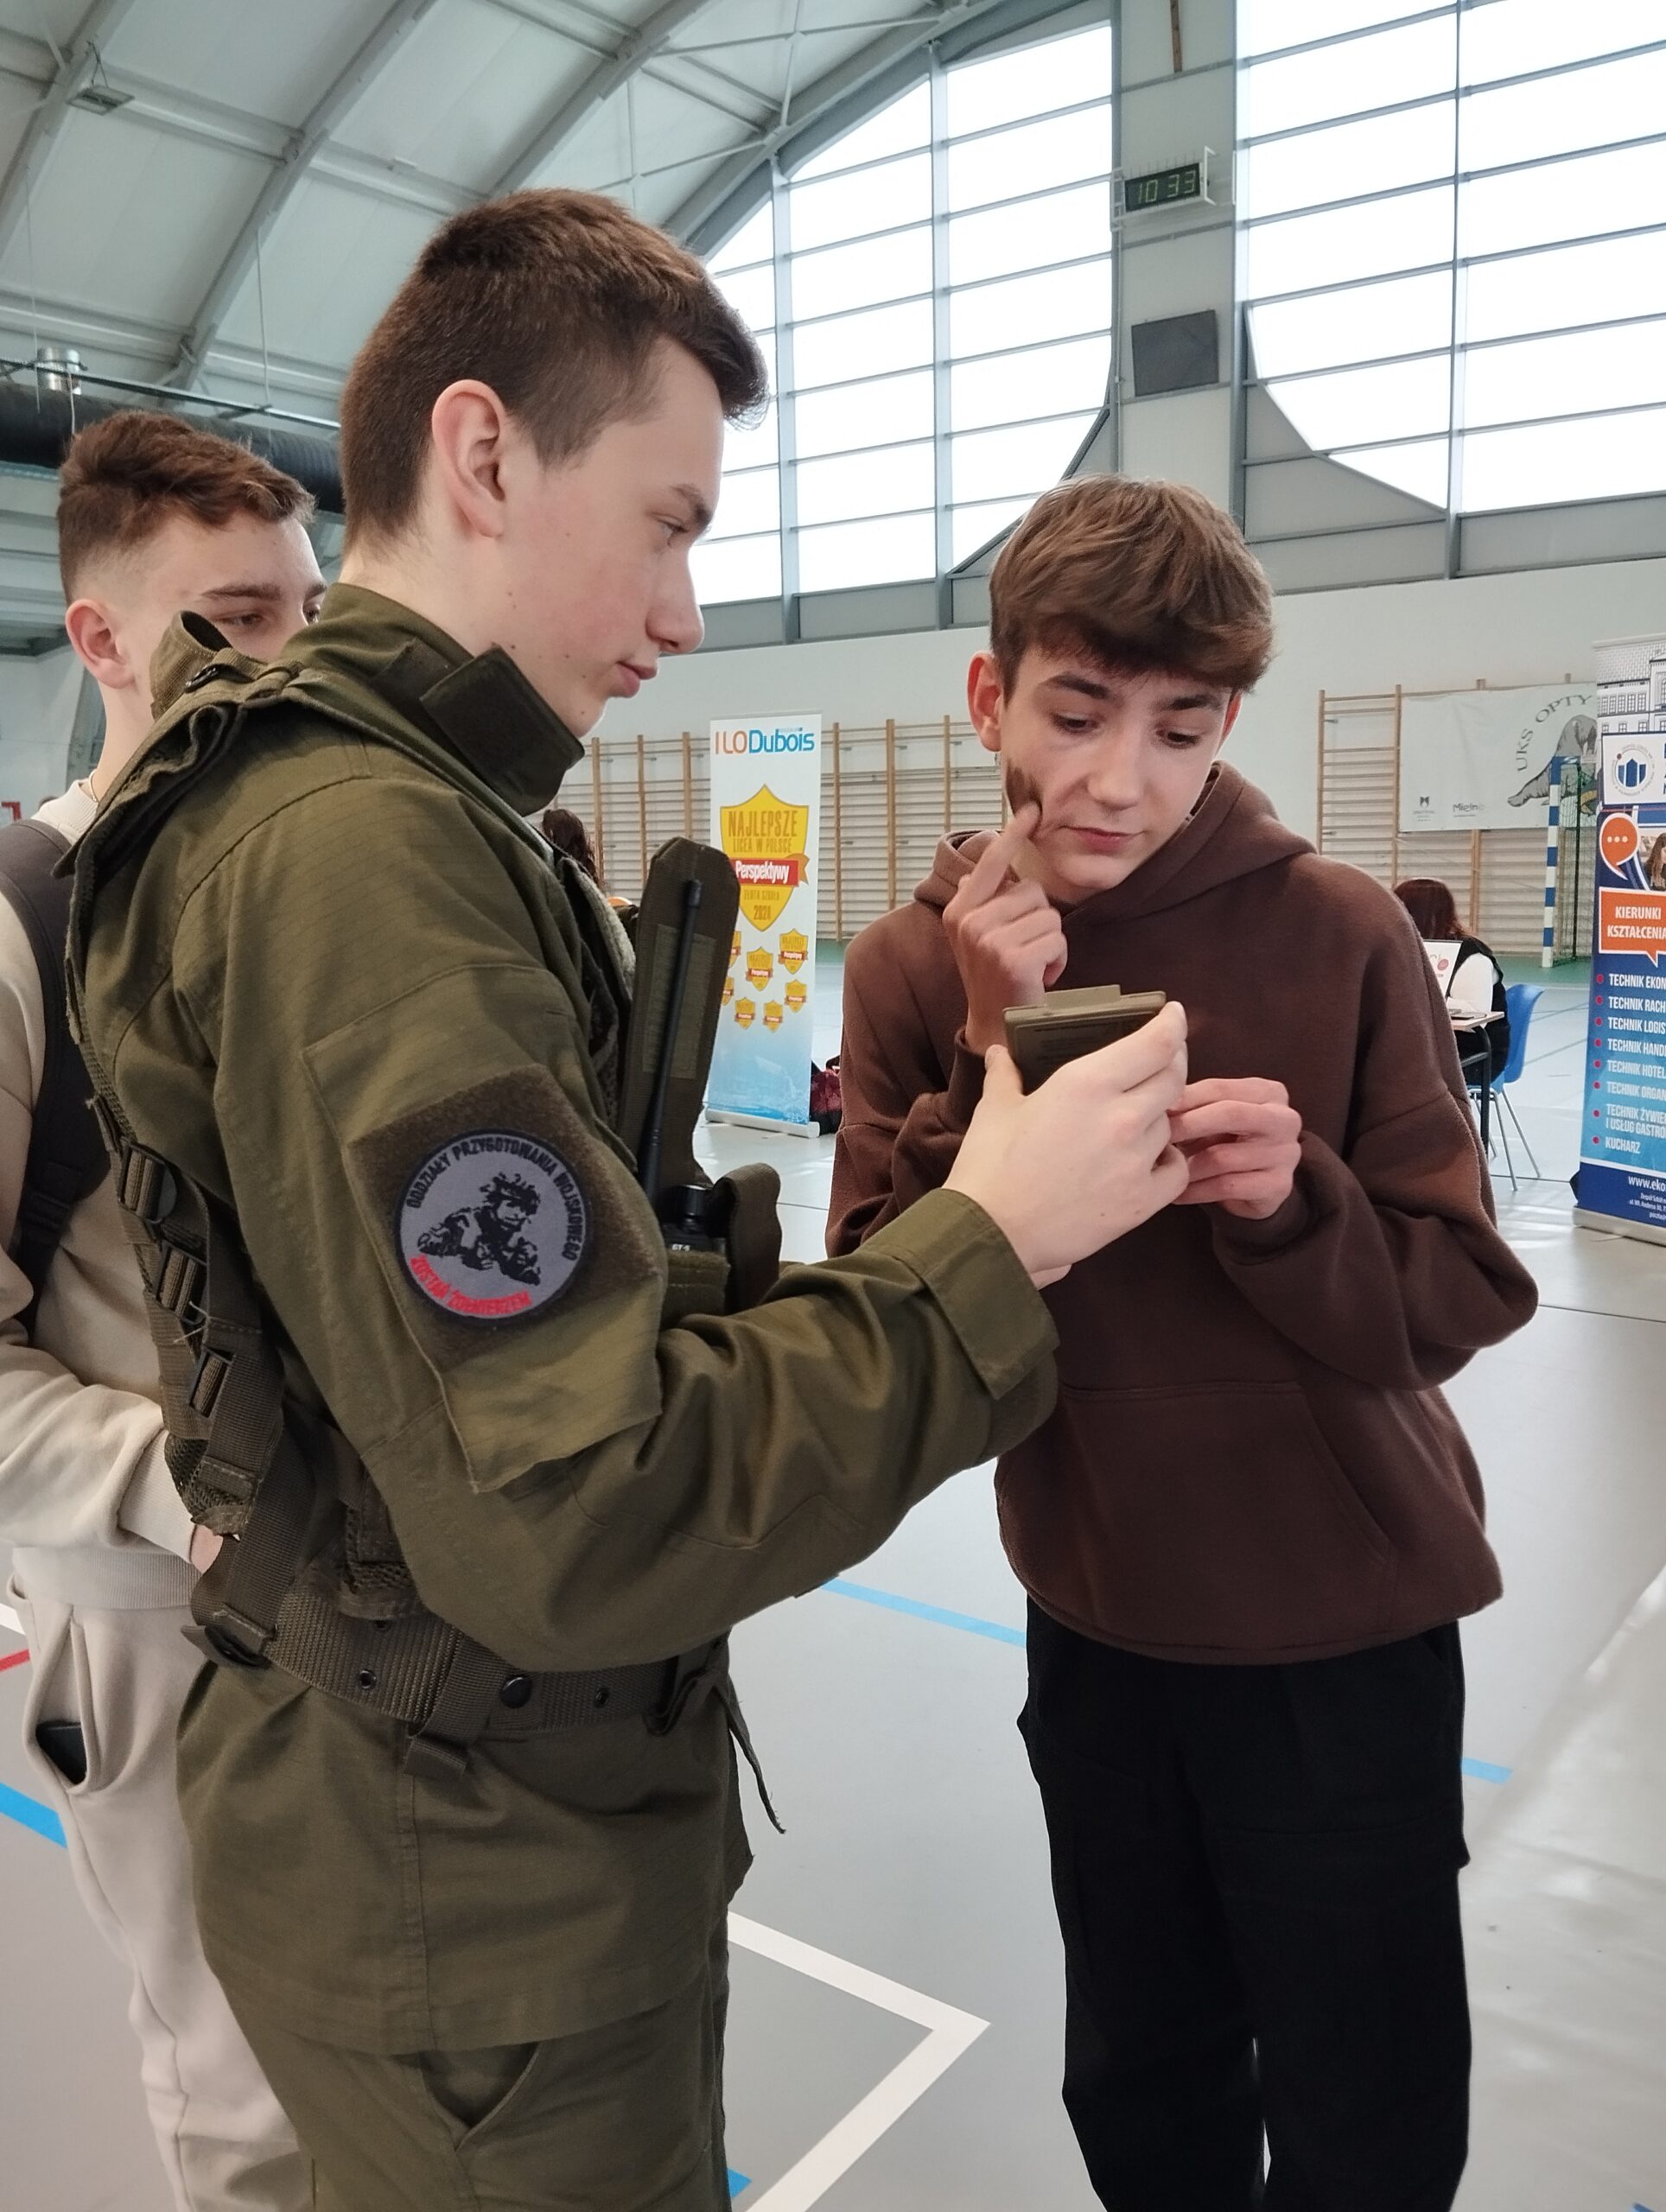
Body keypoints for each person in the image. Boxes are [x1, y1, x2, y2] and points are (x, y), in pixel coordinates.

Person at [67, 192, 1192, 2210]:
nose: (682, 611)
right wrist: (993, 1240)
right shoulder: (363, 859)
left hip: (462, 1846)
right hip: (476, 1894)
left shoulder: (409, 815)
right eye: (668, 525)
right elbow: (576, 1515)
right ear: (483, 454)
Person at [830, 475, 1540, 2212]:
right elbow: (871, 1317)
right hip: (1100, 1627)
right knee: (1142, 2088)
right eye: (1076, 712)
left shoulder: (1339, 929)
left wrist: (1295, 1205)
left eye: (1179, 725)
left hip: (1342, 1637)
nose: (1118, 777)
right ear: (990, 698)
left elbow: (1456, 1296)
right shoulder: (917, 966)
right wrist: (986, 1056)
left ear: (1227, 721)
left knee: (1369, 2114)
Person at [0, 410, 322, 2211]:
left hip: (364, 1590)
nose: (289, 664)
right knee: (242, 2093)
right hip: (156, 1619)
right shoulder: (21, 927)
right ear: (103, 640)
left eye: (306, 615)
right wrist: (180, 1483)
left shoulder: (301, 902)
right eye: (237, 620)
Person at [1395, 877, 1510, 1084]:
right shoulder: (1402, 949)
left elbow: (1478, 1017)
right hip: (1422, 1047)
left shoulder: (1472, 955)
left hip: (1473, 1054)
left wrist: (1422, 999)